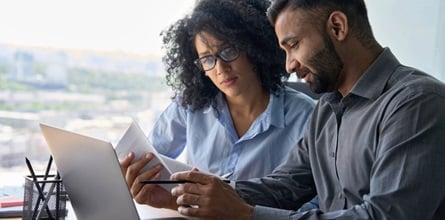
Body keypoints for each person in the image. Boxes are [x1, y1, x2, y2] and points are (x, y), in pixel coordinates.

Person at [123, 0, 445, 219]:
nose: (289, 65)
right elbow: (283, 187)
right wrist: (187, 197)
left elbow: (382, 216)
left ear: (337, 27)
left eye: (293, 45)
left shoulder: (417, 103)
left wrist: (247, 216)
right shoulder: (327, 111)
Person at [121, 0, 316, 209]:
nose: (221, 68)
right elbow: (151, 160)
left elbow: (318, 203)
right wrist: (137, 179)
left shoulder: (306, 117)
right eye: (207, 59)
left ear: (254, 47)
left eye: (228, 51)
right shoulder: (190, 107)